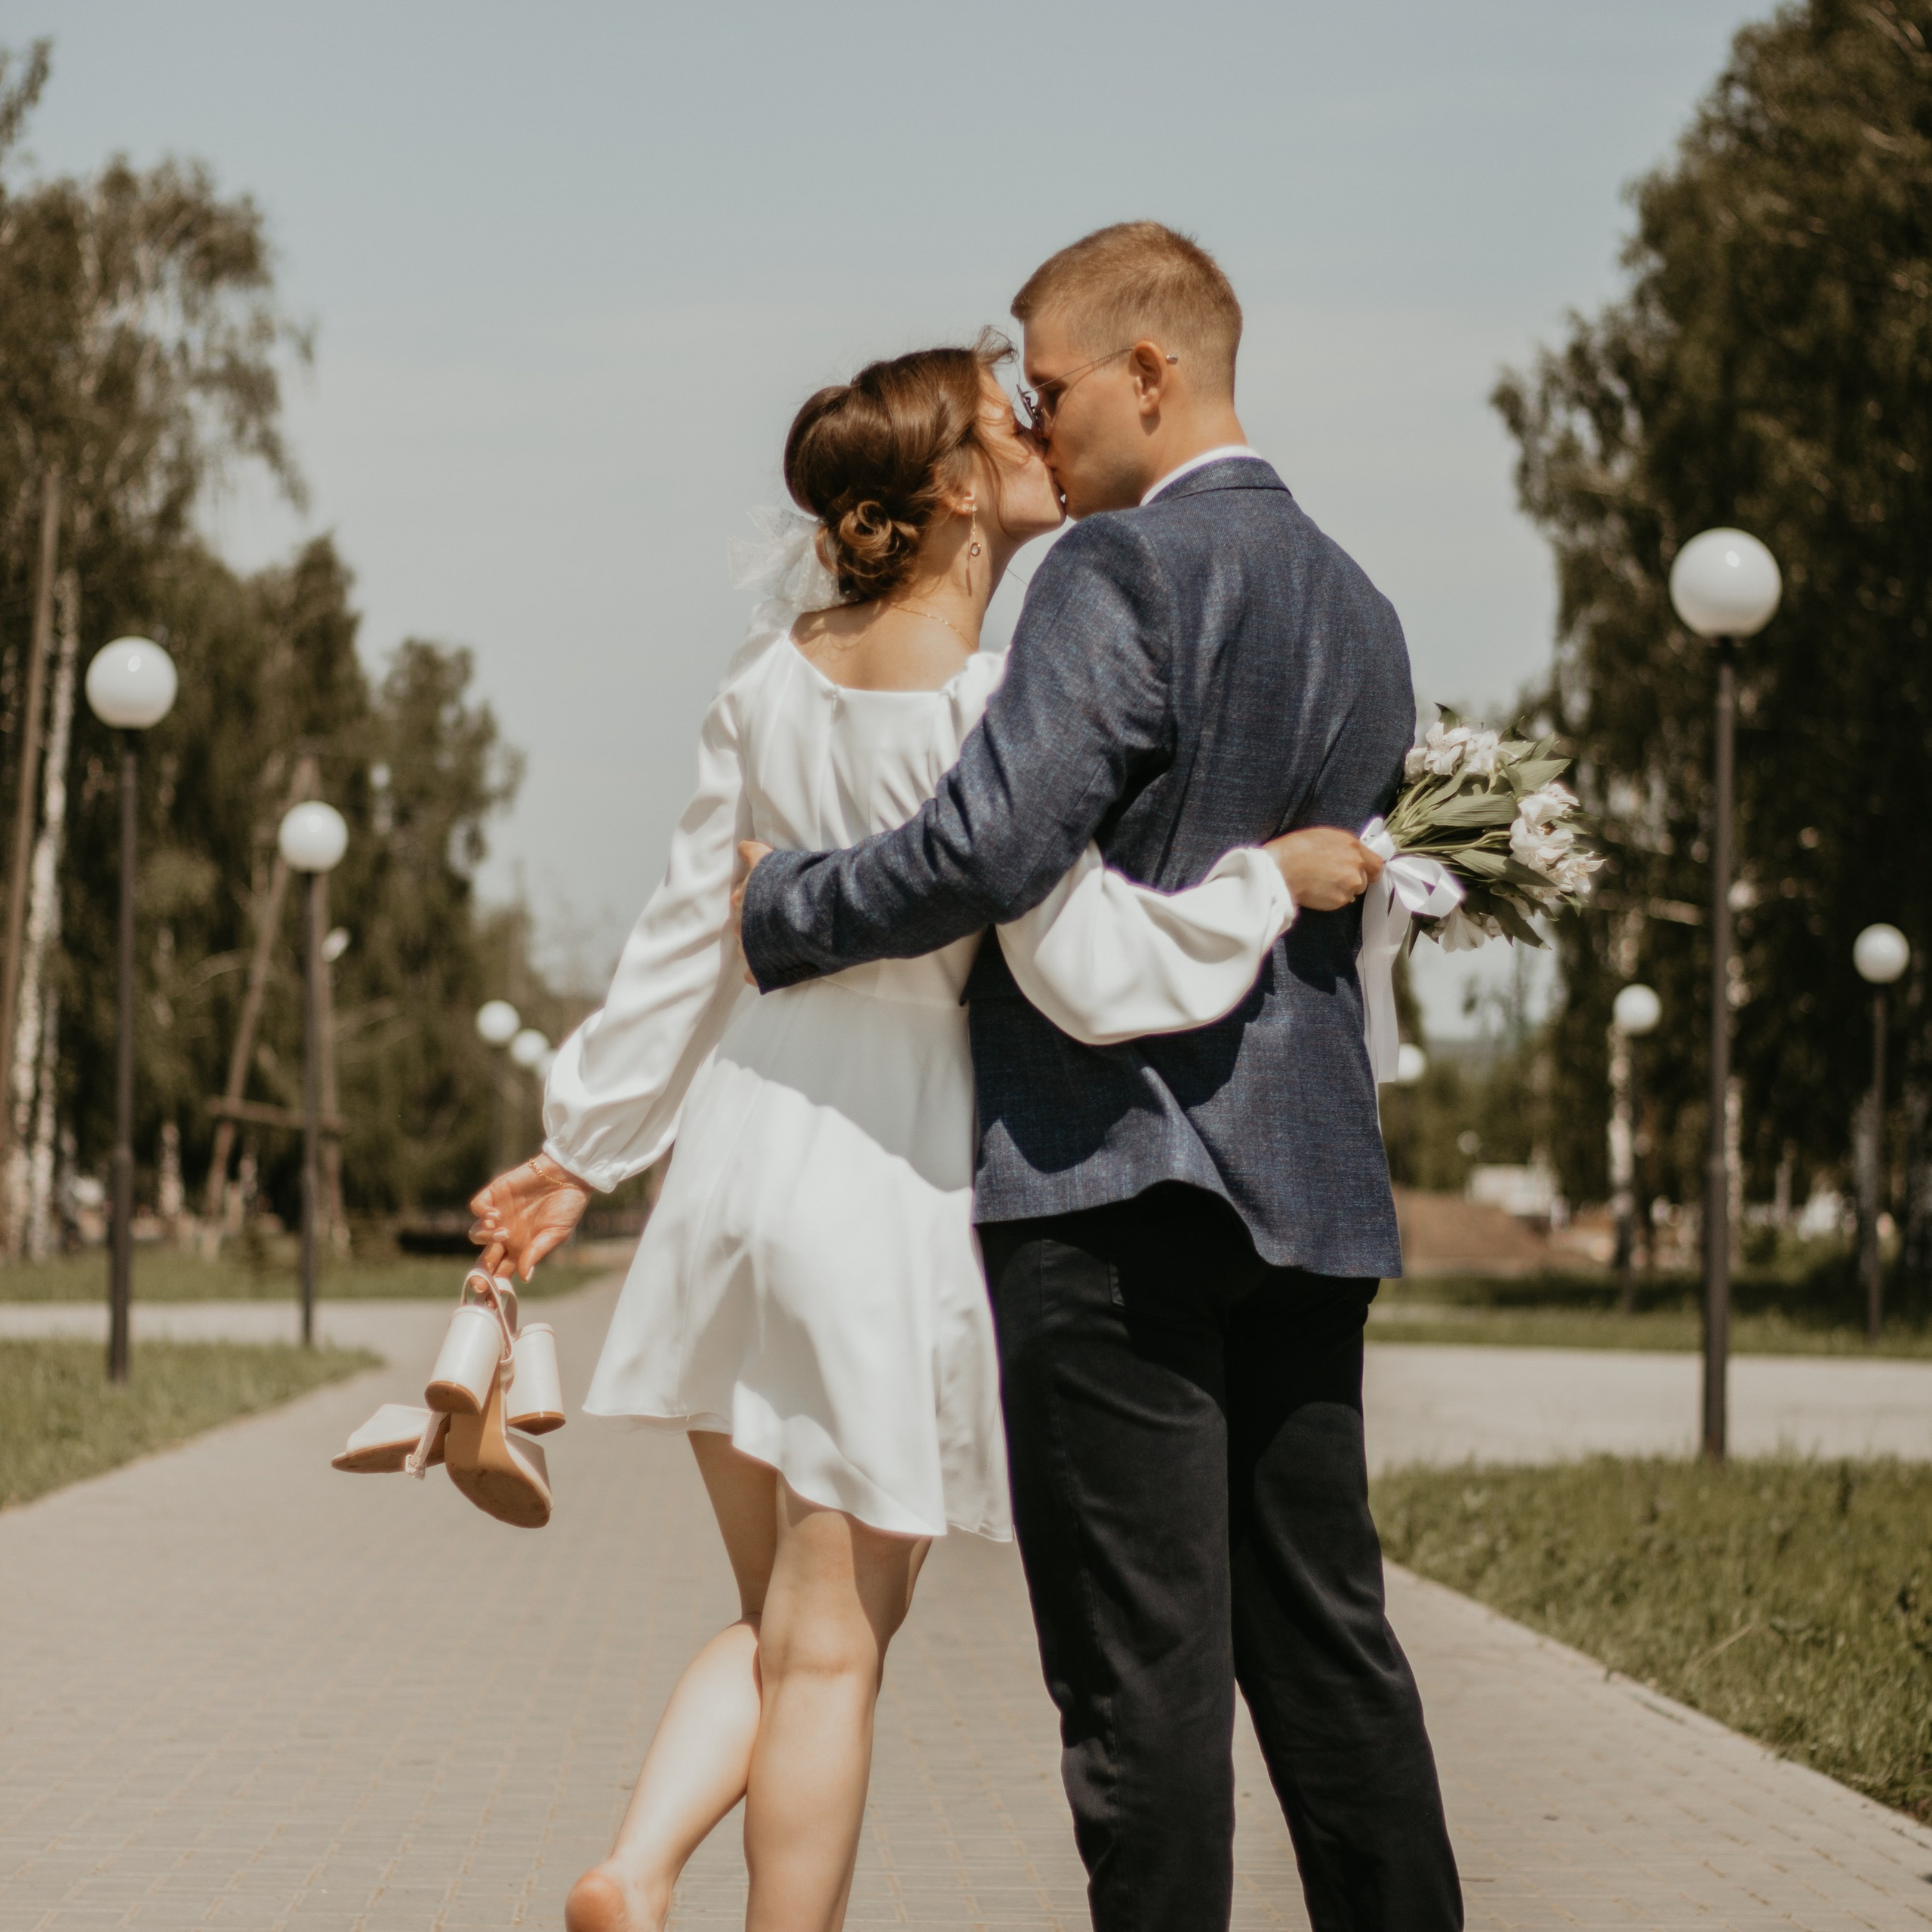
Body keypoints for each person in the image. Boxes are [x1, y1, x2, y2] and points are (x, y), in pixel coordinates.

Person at [469, 332, 1381, 1932]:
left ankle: (635, 1857)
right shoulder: (987, 707)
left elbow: (690, 936)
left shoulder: (762, 683)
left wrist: (580, 1147)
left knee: (772, 1617)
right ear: (957, 488)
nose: (1037, 432)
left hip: (736, 1158)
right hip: (884, 1168)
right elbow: (1087, 966)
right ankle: (684, 1885)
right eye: (1001, 424)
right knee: (835, 1645)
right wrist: (1263, 883)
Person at [736, 224, 1464, 1932]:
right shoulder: (1360, 602)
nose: (1034, 422)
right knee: (1326, 1645)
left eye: (1049, 385)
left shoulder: (1113, 575)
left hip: (1106, 1192)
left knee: (1140, 1691)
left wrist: (784, 906)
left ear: (1152, 371)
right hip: (1306, 1189)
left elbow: (991, 843)